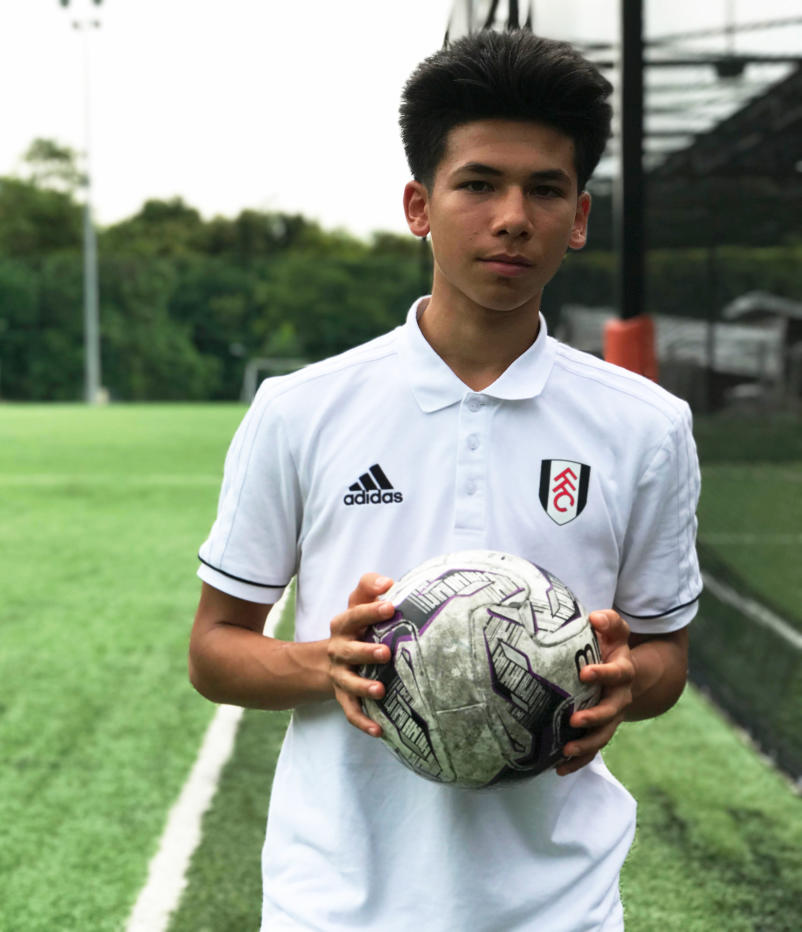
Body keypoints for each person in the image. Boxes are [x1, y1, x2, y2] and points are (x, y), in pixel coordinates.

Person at [188, 29, 699, 932]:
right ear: (420, 204)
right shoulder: (301, 408)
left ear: (580, 218)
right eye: (479, 184)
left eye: (546, 190)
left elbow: (664, 659)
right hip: (336, 904)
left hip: (558, 908)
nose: (513, 217)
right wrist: (327, 664)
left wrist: (626, 682)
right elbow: (216, 649)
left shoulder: (645, 426)